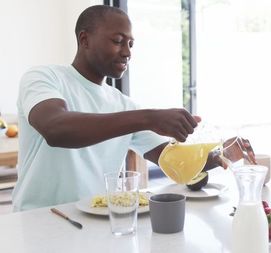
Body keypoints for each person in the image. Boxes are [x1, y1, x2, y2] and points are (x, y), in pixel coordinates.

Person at [13, 5, 214, 211]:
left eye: (131, 44)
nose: (127, 52)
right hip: (36, 220)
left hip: (95, 219)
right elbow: (55, 129)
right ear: (85, 40)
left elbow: (175, 161)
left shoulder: (123, 104)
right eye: (118, 41)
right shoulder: (43, 77)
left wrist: (223, 153)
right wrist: (150, 118)